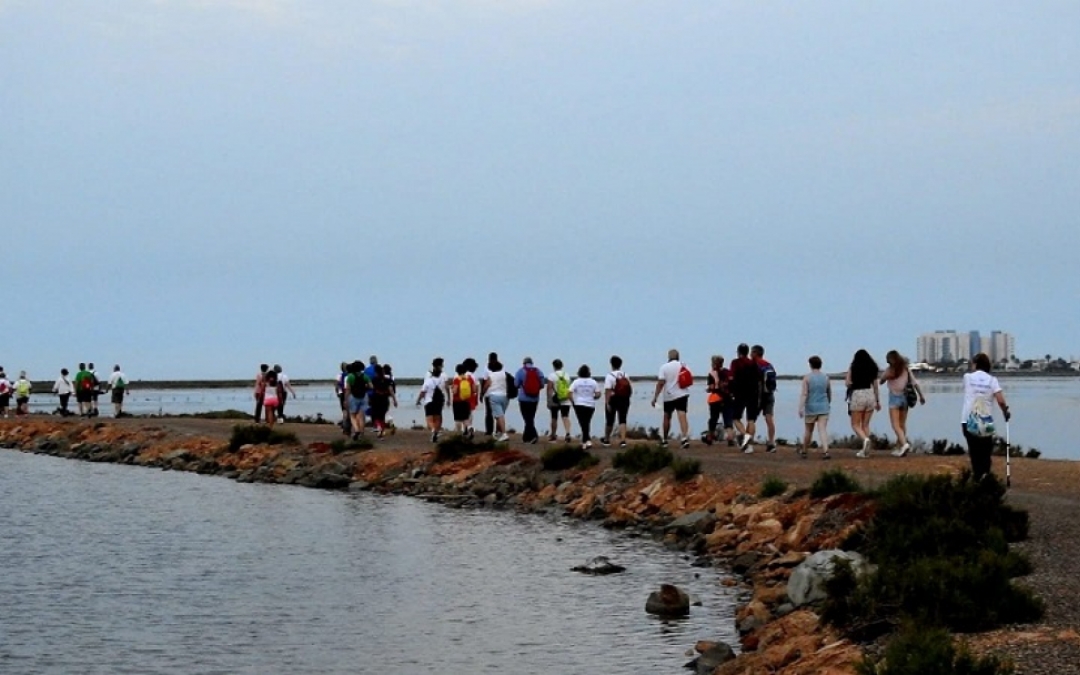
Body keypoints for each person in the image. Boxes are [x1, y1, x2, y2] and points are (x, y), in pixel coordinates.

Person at [962, 352, 1011, 481]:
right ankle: (985, 475)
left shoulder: (967, 377)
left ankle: (977, 476)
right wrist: (1005, 412)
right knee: (985, 451)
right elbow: (1000, 400)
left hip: (968, 419)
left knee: (974, 451)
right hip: (984, 419)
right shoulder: (992, 380)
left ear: (976, 364)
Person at [881, 350, 926, 457]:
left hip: (894, 398)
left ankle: (904, 444)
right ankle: (899, 447)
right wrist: (921, 396)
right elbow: (915, 383)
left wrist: (886, 377)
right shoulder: (906, 369)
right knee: (902, 424)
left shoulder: (890, 370)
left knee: (895, 425)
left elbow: (881, 381)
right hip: (905, 398)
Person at [650, 348, 691, 449]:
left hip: (669, 395)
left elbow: (661, 383)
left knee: (667, 416)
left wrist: (655, 397)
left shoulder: (664, 367)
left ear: (669, 357)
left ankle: (664, 440)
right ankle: (684, 438)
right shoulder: (684, 365)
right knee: (682, 415)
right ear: (678, 356)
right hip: (682, 394)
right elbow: (689, 377)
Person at [845, 349, 881, 458]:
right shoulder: (872, 368)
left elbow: (847, 383)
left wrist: (852, 383)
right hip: (870, 395)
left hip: (858, 395)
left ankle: (865, 440)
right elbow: (876, 386)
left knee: (855, 424)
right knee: (865, 424)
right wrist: (877, 401)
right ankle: (866, 451)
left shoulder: (853, 368)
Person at [798, 356, 832, 460]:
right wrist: (828, 402)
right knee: (822, 430)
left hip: (811, 407)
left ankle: (804, 450)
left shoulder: (807, 378)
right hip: (824, 406)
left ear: (810, 365)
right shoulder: (826, 377)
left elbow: (804, 394)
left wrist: (800, 407)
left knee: (808, 430)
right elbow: (829, 392)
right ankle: (826, 451)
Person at [729, 344, 761, 452]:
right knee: (751, 420)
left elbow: (731, 378)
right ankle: (750, 446)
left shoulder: (735, 363)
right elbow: (758, 378)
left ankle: (745, 436)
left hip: (740, 393)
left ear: (738, 352)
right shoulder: (753, 363)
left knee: (736, 418)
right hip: (753, 394)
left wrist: (731, 391)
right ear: (747, 352)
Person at [751, 345, 778, 452]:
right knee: (769, 418)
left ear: (755, 353)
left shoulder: (754, 365)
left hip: (757, 396)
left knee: (751, 419)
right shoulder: (769, 365)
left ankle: (749, 442)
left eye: (752, 352)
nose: (750, 354)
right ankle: (771, 442)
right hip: (769, 394)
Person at [514, 357, 547, 444]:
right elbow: (542, 385)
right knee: (530, 417)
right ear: (532, 363)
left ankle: (534, 436)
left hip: (523, 399)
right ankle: (526, 437)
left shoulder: (520, 371)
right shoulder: (538, 371)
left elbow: (516, 384)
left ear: (524, 363)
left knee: (527, 418)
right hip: (535, 399)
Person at [568, 364, 602, 448]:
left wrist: (573, 402)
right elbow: (598, 394)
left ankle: (585, 441)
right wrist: (594, 397)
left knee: (583, 422)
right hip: (590, 404)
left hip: (579, 404)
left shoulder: (576, 382)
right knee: (586, 422)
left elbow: (569, 393)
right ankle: (587, 440)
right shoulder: (593, 382)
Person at [601, 355, 632, 448]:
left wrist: (607, 402)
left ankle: (607, 439)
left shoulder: (610, 376)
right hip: (624, 399)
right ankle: (623, 440)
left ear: (611, 364)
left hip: (613, 399)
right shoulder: (625, 375)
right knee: (622, 420)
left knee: (610, 420)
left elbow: (608, 390)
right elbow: (630, 388)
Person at [703, 355, 733, 446]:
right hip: (727, 398)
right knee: (728, 419)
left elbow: (712, 387)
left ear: (714, 364)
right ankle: (730, 438)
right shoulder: (727, 372)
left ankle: (710, 437)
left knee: (713, 418)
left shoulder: (712, 373)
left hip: (716, 399)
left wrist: (709, 389)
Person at [416, 362, 447, 443]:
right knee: (437, 419)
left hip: (429, 402)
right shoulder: (442, 381)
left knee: (429, 420)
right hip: (439, 402)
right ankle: (436, 431)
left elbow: (422, 392)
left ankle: (433, 430)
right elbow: (445, 389)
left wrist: (418, 400)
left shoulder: (428, 381)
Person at [482, 358, 510, 442]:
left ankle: (504, 434)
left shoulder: (491, 376)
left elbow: (486, 386)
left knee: (499, 416)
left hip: (494, 396)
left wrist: (482, 393)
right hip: (505, 396)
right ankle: (498, 433)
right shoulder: (504, 374)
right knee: (500, 414)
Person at [368, 364, 397, 438]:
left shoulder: (374, 379)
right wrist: (394, 400)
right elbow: (391, 390)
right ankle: (383, 430)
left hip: (376, 399)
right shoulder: (387, 380)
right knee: (382, 416)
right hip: (385, 399)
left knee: (375, 416)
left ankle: (379, 428)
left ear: (376, 372)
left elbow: (371, 387)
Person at [547, 359, 573, 442]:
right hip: (566, 398)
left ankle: (553, 435)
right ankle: (568, 433)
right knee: (565, 416)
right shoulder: (567, 375)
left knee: (554, 417)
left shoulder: (552, 375)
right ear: (562, 366)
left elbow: (549, 388)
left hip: (555, 399)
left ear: (553, 366)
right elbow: (569, 388)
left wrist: (549, 400)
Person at [345, 361, 370, 440]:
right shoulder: (365, 376)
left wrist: (346, 400)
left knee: (352, 415)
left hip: (353, 397)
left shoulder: (350, 376)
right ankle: (362, 434)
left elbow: (348, 389)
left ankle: (356, 430)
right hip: (364, 397)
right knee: (361, 416)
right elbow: (371, 386)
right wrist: (365, 387)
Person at [450, 363, 476, 437]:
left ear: (457, 371)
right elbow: (474, 390)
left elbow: (455, 391)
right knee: (466, 418)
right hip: (466, 401)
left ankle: (458, 434)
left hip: (457, 401)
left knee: (458, 419)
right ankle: (469, 428)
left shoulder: (456, 379)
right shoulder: (470, 378)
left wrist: (452, 389)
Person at [479, 352, 498, 436]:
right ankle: (498, 430)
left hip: (489, 393)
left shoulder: (487, 367)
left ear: (489, 359)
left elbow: (484, 380)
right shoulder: (501, 367)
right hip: (498, 393)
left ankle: (489, 431)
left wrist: (481, 393)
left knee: (488, 413)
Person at [335, 361, 351, 435]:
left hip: (342, 394)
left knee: (344, 411)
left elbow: (336, 386)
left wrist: (337, 393)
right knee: (350, 411)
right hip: (349, 394)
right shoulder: (350, 375)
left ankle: (344, 426)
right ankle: (348, 426)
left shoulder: (339, 375)